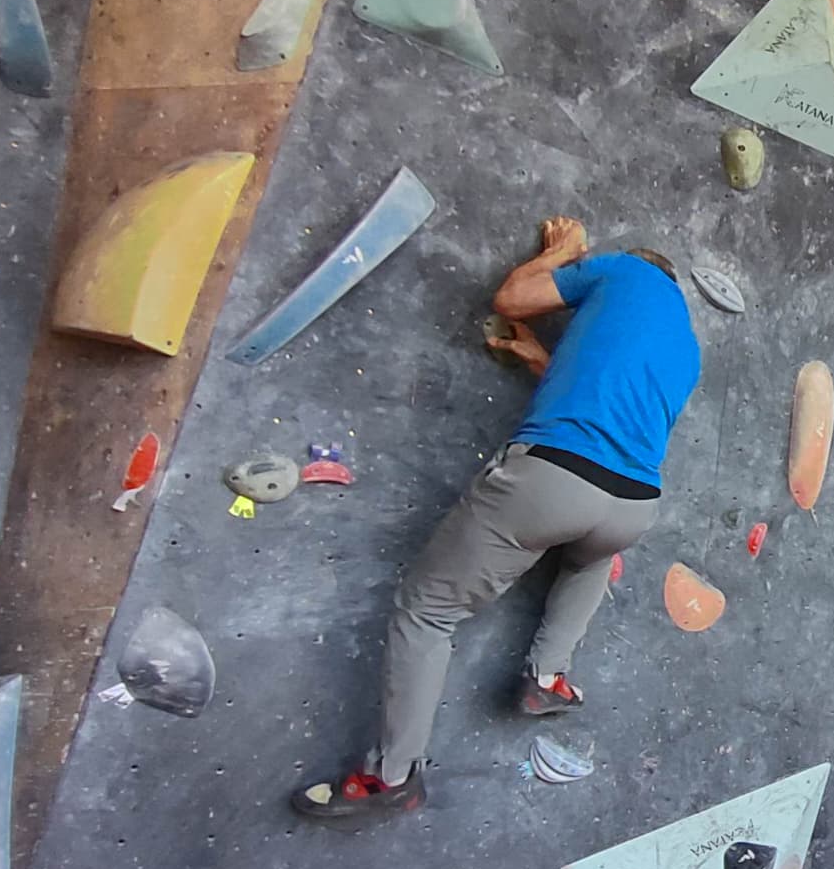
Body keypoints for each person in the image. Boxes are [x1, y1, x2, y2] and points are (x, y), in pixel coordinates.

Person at [292, 218, 701, 821]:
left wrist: (561, 254)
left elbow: (512, 300)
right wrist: (545, 361)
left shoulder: (623, 269)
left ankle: (392, 776)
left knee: (427, 610)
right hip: (633, 504)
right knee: (588, 560)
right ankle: (548, 677)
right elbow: (605, 395)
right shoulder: (688, 348)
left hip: (553, 481)